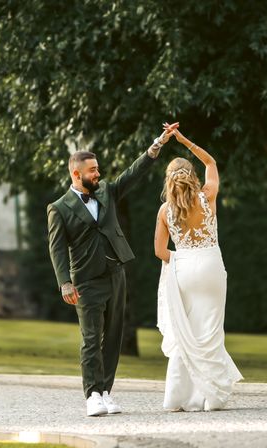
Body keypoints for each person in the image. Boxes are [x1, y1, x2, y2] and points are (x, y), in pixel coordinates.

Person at [48, 122, 178, 416]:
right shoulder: (59, 208)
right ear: (76, 173)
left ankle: (105, 391)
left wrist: (155, 147)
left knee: (115, 334)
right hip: (85, 281)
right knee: (91, 339)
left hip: (116, 274)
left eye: (98, 168)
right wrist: (65, 283)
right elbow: (56, 248)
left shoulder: (106, 191)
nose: (98, 173)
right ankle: (91, 395)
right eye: (92, 170)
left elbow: (131, 174)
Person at [154, 126, 243, 412]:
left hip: (183, 269)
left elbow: (158, 251)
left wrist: (182, 259)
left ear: (169, 181)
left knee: (185, 333)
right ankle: (212, 398)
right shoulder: (207, 196)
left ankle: (176, 399)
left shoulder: (165, 211)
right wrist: (183, 140)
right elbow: (211, 162)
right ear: (191, 177)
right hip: (211, 265)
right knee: (210, 331)